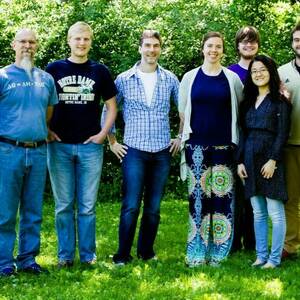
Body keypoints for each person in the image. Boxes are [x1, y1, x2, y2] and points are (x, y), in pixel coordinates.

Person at [104, 29, 180, 265]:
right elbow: (109, 110)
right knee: (131, 205)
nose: (151, 50)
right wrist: (112, 141)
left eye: (156, 45)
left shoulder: (170, 79)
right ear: (140, 48)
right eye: (147, 45)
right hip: (133, 150)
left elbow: (185, 109)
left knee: (154, 207)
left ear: (160, 48)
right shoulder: (124, 79)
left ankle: (146, 252)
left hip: (161, 151)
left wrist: (179, 136)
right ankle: (122, 255)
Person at [46, 22, 117, 268]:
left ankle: (88, 256)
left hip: (90, 147)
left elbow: (112, 107)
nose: (82, 43)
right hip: (60, 146)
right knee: (63, 205)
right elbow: (42, 102)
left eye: (86, 39)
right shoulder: (54, 69)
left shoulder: (100, 71)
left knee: (87, 206)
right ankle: (65, 256)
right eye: (77, 39)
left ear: (91, 41)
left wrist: (103, 134)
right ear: (69, 40)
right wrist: (46, 129)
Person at [179, 32, 243, 267]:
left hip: (224, 147)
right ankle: (197, 249)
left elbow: (240, 107)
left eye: (218, 46)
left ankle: (219, 249)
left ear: (223, 50)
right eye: (209, 46)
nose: (213, 50)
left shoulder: (232, 78)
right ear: (202, 49)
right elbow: (183, 112)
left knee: (222, 199)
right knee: (198, 200)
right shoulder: (190, 77)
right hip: (196, 147)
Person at [0, 29, 58, 276]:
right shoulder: (3, 76)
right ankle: (3, 263)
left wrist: (38, 131)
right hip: (7, 151)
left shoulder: (45, 79)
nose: (27, 46)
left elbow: (48, 111)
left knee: (33, 211)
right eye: (23, 41)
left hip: (37, 152)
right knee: (4, 211)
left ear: (37, 46)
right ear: (14, 45)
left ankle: (28, 260)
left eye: (32, 42)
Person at [238, 55, 291, 268]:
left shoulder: (280, 101)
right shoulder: (247, 102)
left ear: (270, 72)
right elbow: (243, 133)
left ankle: (274, 258)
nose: (258, 74)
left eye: (262, 70)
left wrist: (273, 160)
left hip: (270, 159)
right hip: (250, 158)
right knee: (258, 212)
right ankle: (261, 256)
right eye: (254, 71)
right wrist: (240, 161)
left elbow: (282, 133)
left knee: (275, 212)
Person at [228, 26, 260, 252]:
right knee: (236, 192)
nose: (248, 45)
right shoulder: (229, 73)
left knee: (254, 192)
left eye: (252, 41)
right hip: (235, 138)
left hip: (258, 140)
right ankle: (234, 240)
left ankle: (252, 241)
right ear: (238, 45)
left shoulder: (265, 69)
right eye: (244, 42)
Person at [278, 22, 300, 259]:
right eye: (296, 40)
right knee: (291, 199)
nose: (299, 44)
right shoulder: (281, 72)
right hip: (291, 144)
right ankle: (291, 245)